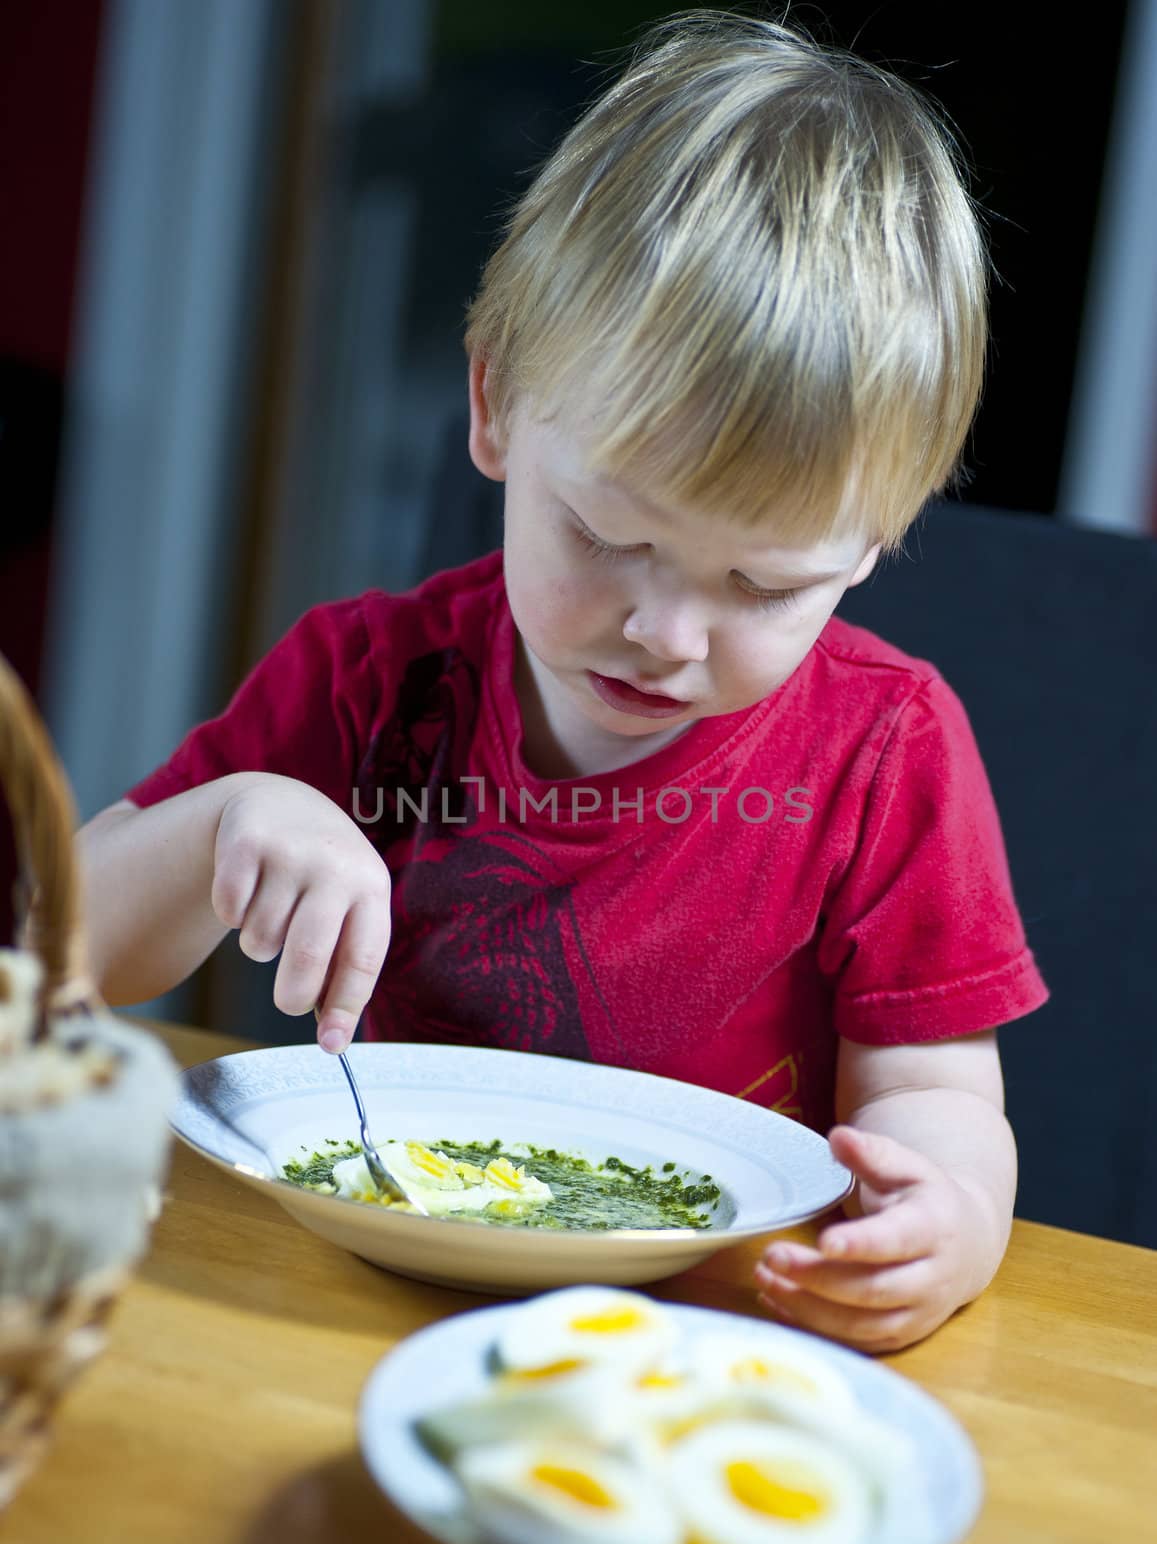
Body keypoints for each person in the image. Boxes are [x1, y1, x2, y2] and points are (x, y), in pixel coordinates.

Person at [78, 10, 1048, 1352]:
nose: (665, 631)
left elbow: (936, 1096)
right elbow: (62, 962)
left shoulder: (887, 753)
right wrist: (223, 821)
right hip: (351, 1300)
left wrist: (942, 1220)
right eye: (607, 537)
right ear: (493, 408)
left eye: (761, 587)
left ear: (877, 540)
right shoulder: (371, 681)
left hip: (704, 1335)